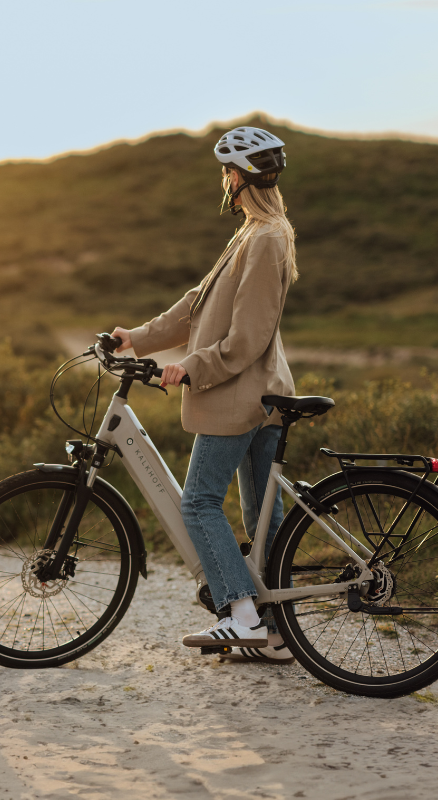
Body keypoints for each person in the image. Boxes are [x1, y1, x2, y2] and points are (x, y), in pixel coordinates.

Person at [111, 125, 299, 664]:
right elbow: (198, 305)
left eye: (227, 171)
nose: (224, 180)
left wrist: (191, 368)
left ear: (239, 177)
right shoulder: (254, 233)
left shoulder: (265, 239)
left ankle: (241, 615)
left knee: (198, 504)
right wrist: (138, 339)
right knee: (264, 513)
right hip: (260, 392)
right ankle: (278, 631)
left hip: (240, 395)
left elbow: (246, 340)